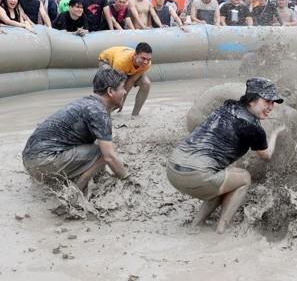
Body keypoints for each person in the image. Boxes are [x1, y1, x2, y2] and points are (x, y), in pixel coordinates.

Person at [167, 77, 285, 234]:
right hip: (196, 175)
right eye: (267, 101)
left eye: (273, 102)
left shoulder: (228, 106)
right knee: (244, 178)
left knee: (222, 179)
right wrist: (276, 134)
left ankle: (196, 225)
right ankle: (221, 228)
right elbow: (267, 156)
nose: (271, 107)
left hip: (172, 170)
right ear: (251, 101)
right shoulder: (253, 128)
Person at [22, 66, 128, 191]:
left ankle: (71, 182)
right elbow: (109, 156)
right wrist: (127, 179)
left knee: (98, 148)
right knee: (105, 151)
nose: (125, 92)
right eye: (122, 88)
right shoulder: (98, 111)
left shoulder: (86, 103)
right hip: (45, 160)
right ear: (110, 91)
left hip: (30, 161)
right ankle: (78, 188)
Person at [99, 43, 153, 116]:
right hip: (107, 62)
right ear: (135, 55)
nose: (145, 62)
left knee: (146, 84)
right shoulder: (121, 61)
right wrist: (120, 101)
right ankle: (104, 113)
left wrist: (122, 100)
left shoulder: (147, 64)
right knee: (112, 88)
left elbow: (131, 81)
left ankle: (135, 115)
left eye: (148, 59)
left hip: (127, 68)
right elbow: (117, 85)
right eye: (143, 58)